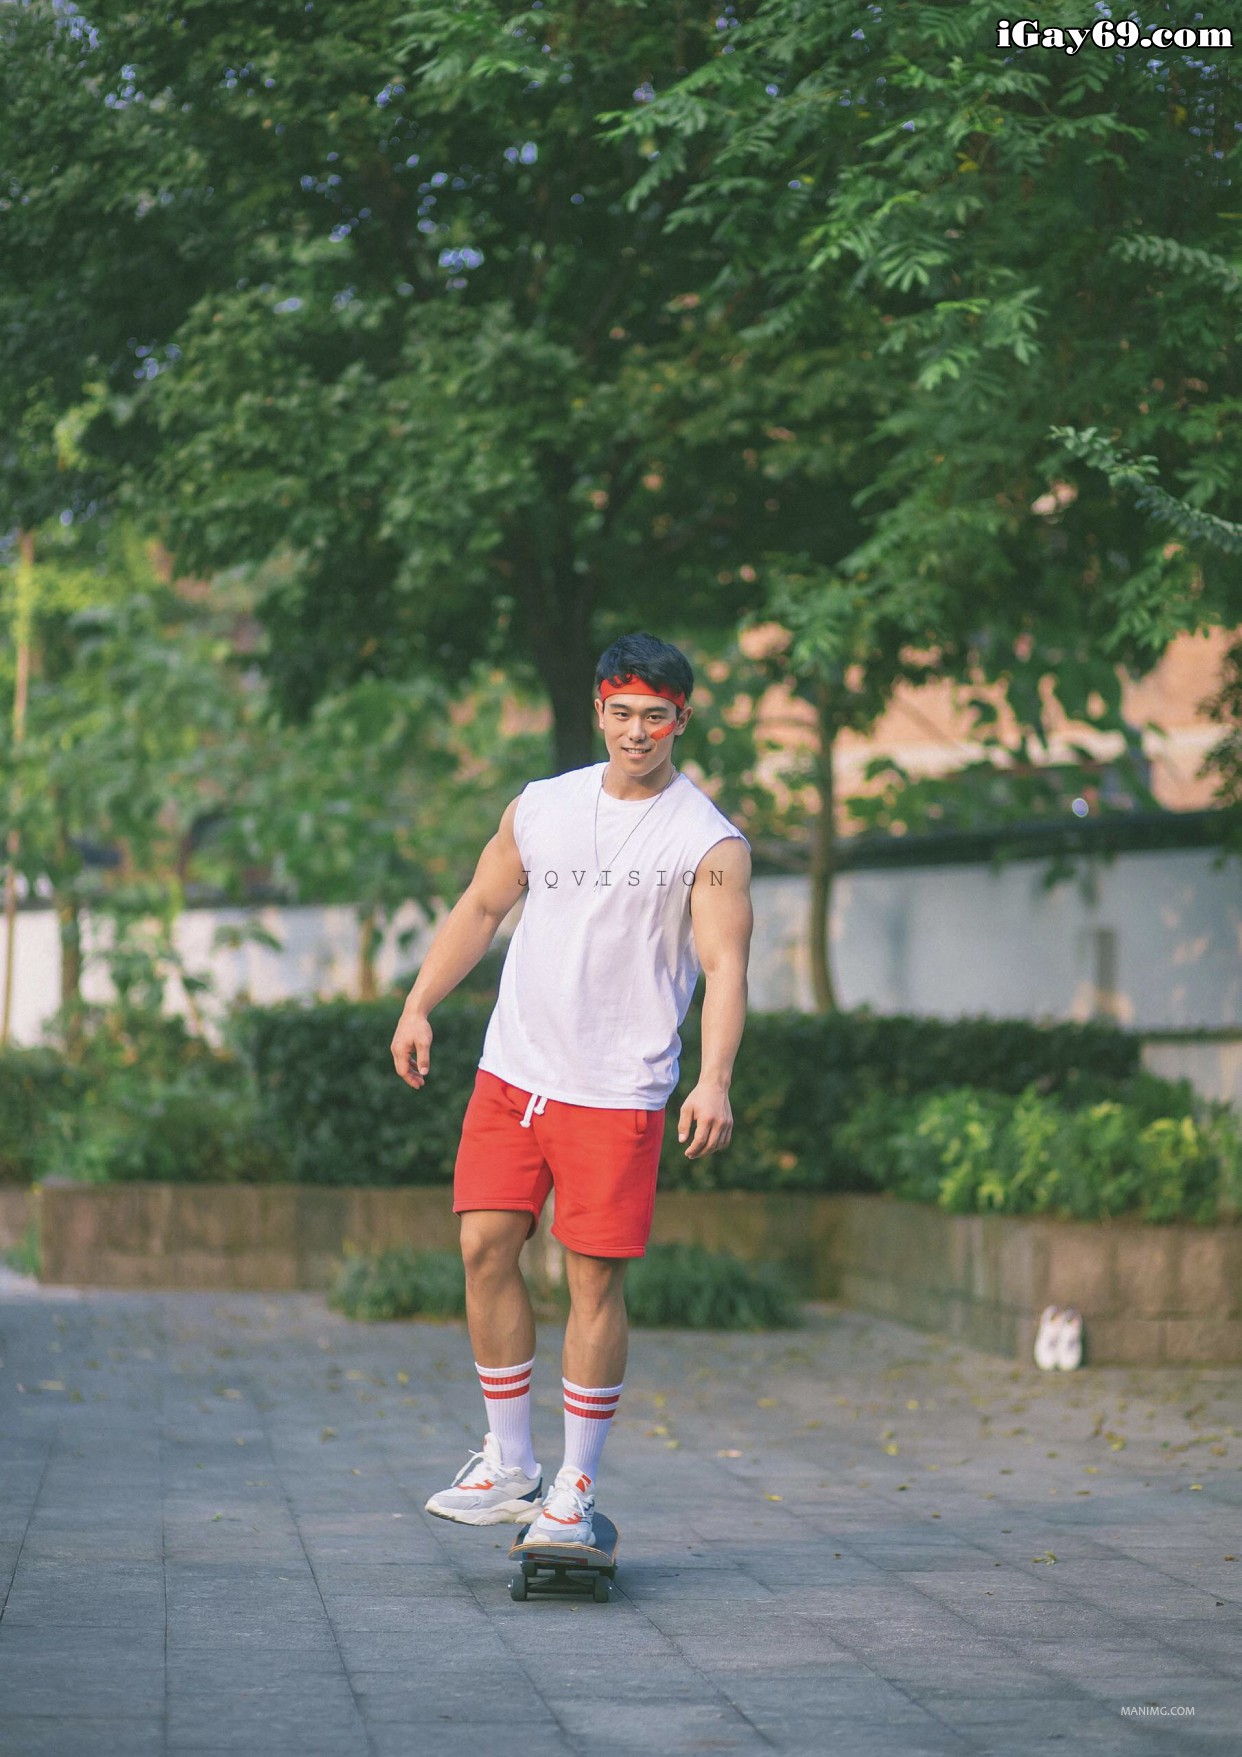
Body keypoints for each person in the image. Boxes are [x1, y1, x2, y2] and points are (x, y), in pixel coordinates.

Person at [390, 631, 753, 1546]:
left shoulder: (709, 841)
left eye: (655, 716)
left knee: (592, 1281)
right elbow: (481, 907)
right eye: (622, 712)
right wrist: (420, 1004)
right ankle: (510, 1463)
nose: (636, 731)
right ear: (599, 709)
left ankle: (575, 1488)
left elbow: (724, 965)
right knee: (483, 1247)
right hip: (514, 1072)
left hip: (617, 1089)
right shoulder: (540, 806)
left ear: (681, 720)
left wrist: (713, 1080)